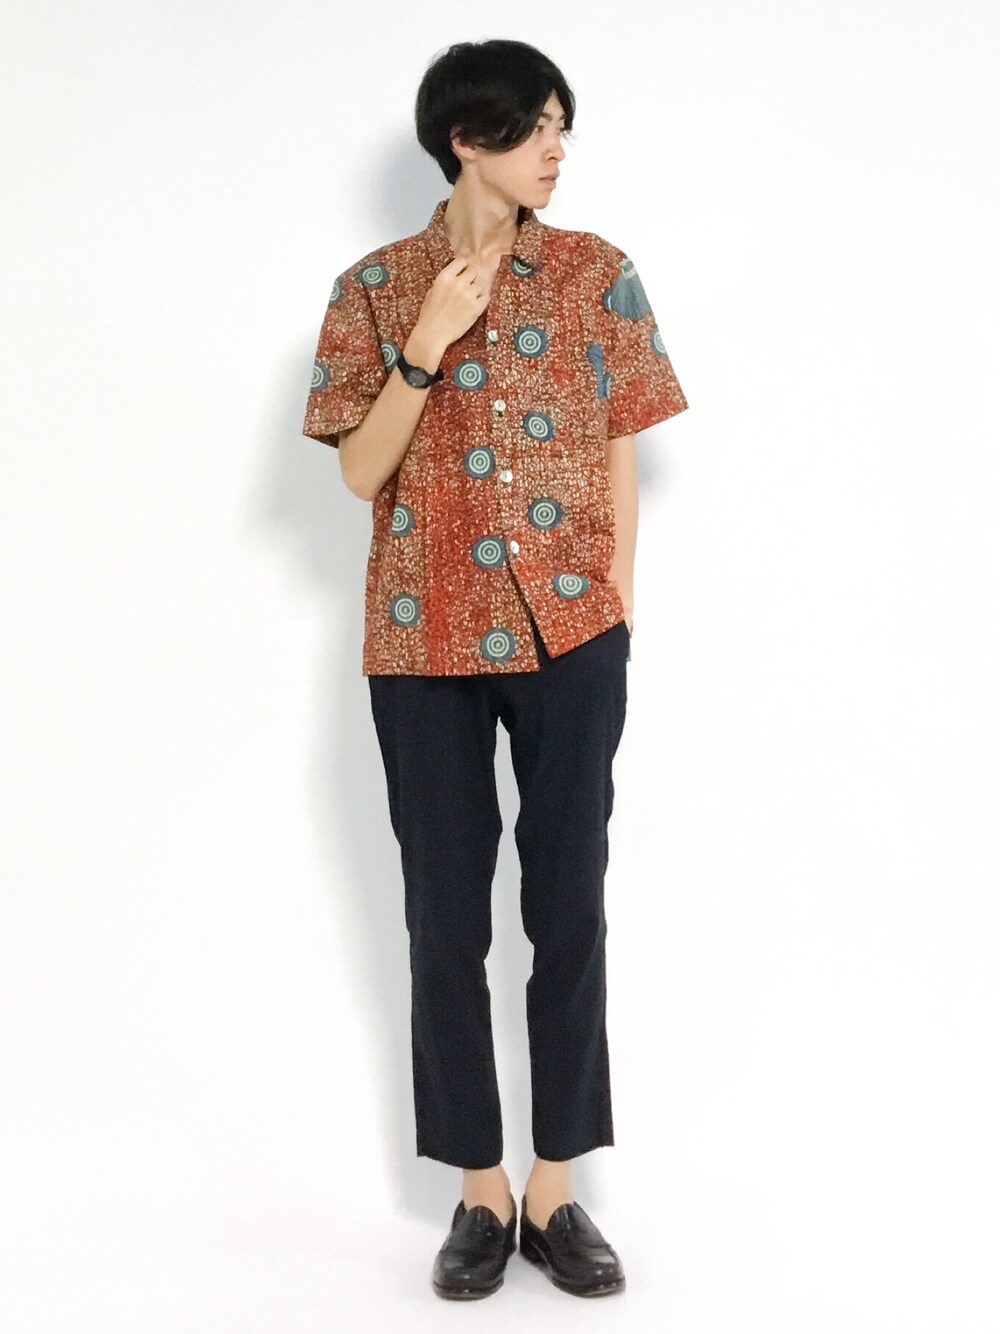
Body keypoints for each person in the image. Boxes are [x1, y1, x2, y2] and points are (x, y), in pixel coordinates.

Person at [301, 38, 688, 1300]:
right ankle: (478, 1190)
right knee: (443, 917)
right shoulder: (374, 288)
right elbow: (360, 473)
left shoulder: (596, 273)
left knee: (569, 905)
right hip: (422, 640)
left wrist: (612, 598)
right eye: (536, 128)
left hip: (572, 636)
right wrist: (427, 338)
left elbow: (621, 438)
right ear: (468, 140)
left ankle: (557, 1186)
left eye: (563, 126)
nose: (557, 150)